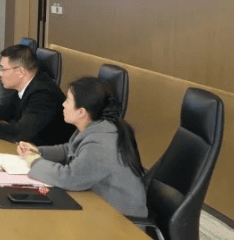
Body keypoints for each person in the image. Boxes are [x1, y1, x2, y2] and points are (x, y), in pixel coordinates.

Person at [18, 77, 148, 217]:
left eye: (68, 101)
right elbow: (69, 150)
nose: (63, 104)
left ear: (81, 112)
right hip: (100, 208)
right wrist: (37, 151)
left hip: (122, 221)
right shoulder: (97, 128)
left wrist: (35, 161)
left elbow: (68, 178)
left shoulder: (100, 143)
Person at [0, 44, 72, 146]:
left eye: (3, 69)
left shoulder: (44, 94)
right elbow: (8, 109)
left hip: (46, 156)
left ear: (20, 72)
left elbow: (21, 133)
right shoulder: (25, 85)